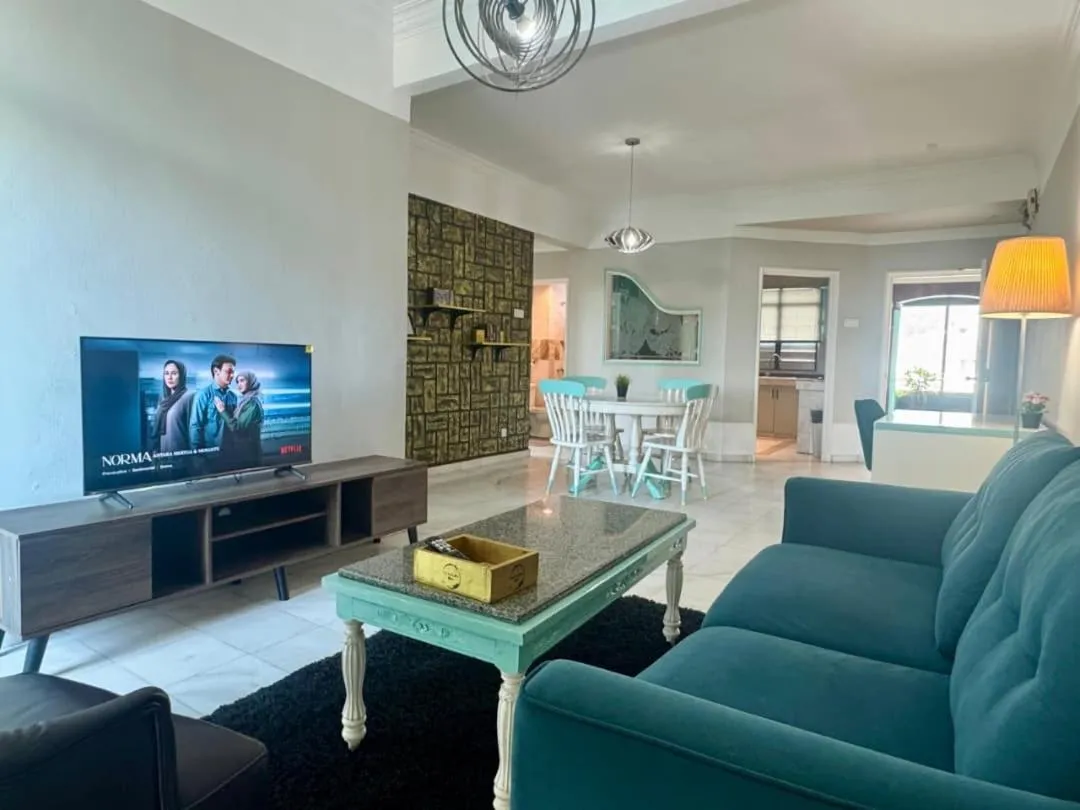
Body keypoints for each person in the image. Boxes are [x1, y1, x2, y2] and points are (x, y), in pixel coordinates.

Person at [189, 354, 237, 465]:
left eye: (233, 372)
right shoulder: (203, 395)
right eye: (229, 371)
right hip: (209, 457)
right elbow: (195, 426)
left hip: (231, 456)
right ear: (216, 371)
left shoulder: (233, 396)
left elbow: (234, 425)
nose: (232, 375)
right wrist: (197, 457)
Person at [217, 370, 264, 470]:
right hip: (244, 451)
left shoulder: (252, 403)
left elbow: (237, 427)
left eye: (242, 380)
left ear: (251, 382)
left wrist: (222, 411)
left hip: (248, 454)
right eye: (237, 382)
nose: (239, 385)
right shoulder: (245, 400)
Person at [151, 359, 195, 453]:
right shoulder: (163, 399)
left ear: (182, 376)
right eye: (166, 373)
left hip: (181, 458)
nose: (169, 377)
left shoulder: (189, 397)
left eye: (174, 373)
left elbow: (193, 432)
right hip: (162, 457)